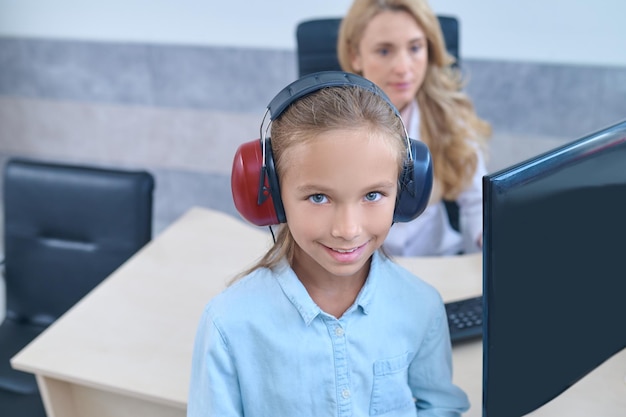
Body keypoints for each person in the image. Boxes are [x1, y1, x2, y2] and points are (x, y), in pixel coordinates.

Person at [187, 72, 469, 416]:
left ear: (406, 193)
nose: (348, 229)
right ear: (271, 198)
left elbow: (440, 406)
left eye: (373, 195)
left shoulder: (421, 306)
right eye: (319, 197)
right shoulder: (229, 324)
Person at [337, 0, 492, 256]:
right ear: (355, 56)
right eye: (384, 51)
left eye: (415, 48)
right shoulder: (329, 126)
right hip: (362, 268)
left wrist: (493, 244)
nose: (403, 68)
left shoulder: (445, 115)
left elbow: (478, 203)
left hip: (437, 264)